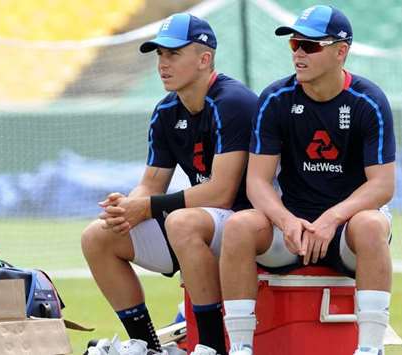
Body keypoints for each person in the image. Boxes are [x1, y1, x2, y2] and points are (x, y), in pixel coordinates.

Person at [219, 5, 396, 355]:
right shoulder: (275, 98)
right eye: (295, 44)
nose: (299, 52)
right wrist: (286, 221)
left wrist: (332, 219)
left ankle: (371, 349)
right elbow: (257, 181)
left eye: (310, 46)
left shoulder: (369, 100)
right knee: (238, 227)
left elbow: (382, 185)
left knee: (373, 224)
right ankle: (240, 348)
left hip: (346, 229)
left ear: (340, 51)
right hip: (293, 228)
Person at [81, 13, 258, 355]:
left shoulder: (232, 102)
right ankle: (147, 345)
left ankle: (210, 346)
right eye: (160, 54)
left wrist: (145, 207)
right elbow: (151, 184)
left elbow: (222, 192)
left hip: (248, 224)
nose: (163, 63)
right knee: (98, 236)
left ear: (205, 59)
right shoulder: (166, 111)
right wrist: (128, 208)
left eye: (173, 53)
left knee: (182, 221)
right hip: (201, 223)